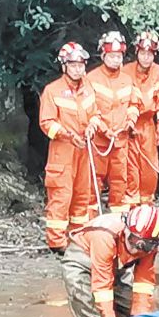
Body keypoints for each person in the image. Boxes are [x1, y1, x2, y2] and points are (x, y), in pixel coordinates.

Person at [62, 203, 159, 317]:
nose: (136, 249)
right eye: (132, 240)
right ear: (125, 230)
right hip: (82, 264)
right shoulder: (105, 235)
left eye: (144, 246)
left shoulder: (149, 248)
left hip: (114, 267)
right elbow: (102, 284)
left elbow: (143, 285)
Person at [38, 41, 103, 254]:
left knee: (83, 195)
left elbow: (95, 113)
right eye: (74, 65)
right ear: (64, 66)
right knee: (61, 196)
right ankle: (57, 243)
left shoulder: (88, 89)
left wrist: (94, 124)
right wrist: (68, 135)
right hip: (62, 152)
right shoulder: (52, 91)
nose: (78, 69)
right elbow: (46, 123)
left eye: (81, 65)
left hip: (85, 149)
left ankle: (78, 237)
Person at [83, 31, 143, 217]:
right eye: (112, 56)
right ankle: (91, 221)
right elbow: (88, 109)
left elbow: (134, 104)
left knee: (120, 181)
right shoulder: (91, 79)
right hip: (100, 141)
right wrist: (104, 129)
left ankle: (119, 221)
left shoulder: (127, 79)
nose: (116, 60)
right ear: (103, 55)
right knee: (94, 181)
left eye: (119, 56)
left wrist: (130, 121)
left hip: (121, 140)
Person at [123, 30, 159, 207]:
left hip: (148, 125)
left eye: (150, 54)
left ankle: (147, 206)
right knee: (130, 167)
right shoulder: (126, 71)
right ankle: (131, 207)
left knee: (150, 167)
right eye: (143, 53)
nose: (146, 57)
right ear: (137, 52)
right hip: (129, 126)